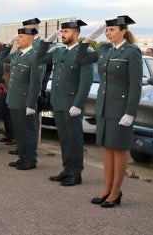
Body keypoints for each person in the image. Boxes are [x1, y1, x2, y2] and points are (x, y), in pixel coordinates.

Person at [76, 15, 142, 207]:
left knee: (119, 150)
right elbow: (81, 58)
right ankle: (107, 188)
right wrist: (88, 39)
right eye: (106, 30)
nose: (108, 33)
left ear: (123, 31)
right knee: (107, 149)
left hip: (121, 110)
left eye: (112, 29)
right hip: (104, 107)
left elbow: (135, 86)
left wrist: (130, 112)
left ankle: (115, 192)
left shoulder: (132, 52)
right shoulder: (105, 50)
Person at [36, 20, 93, 186]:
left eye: (66, 32)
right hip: (58, 101)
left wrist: (78, 104)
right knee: (64, 138)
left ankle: (76, 173)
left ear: (75, 34)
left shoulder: (85, 52)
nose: (63, 35)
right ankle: (67, 169)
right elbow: (39, 58)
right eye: (62, 32)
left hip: (72, 103)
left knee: (74, 139)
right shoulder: (59, 52)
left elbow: (86, 82)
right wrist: (46, 42)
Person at [1, 26, 43, 170]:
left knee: (28, 131)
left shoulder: (35, 56)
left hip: (25, 101)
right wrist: (7, 46)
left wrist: (31, 104)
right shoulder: (18, 54)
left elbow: (35, 83)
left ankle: (30, 159)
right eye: (18, 36)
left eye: (21, 37)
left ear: (30, 39)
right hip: (14, 99)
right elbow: (3, 58)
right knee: (18, 130)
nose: (18, 39)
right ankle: (22, 157)